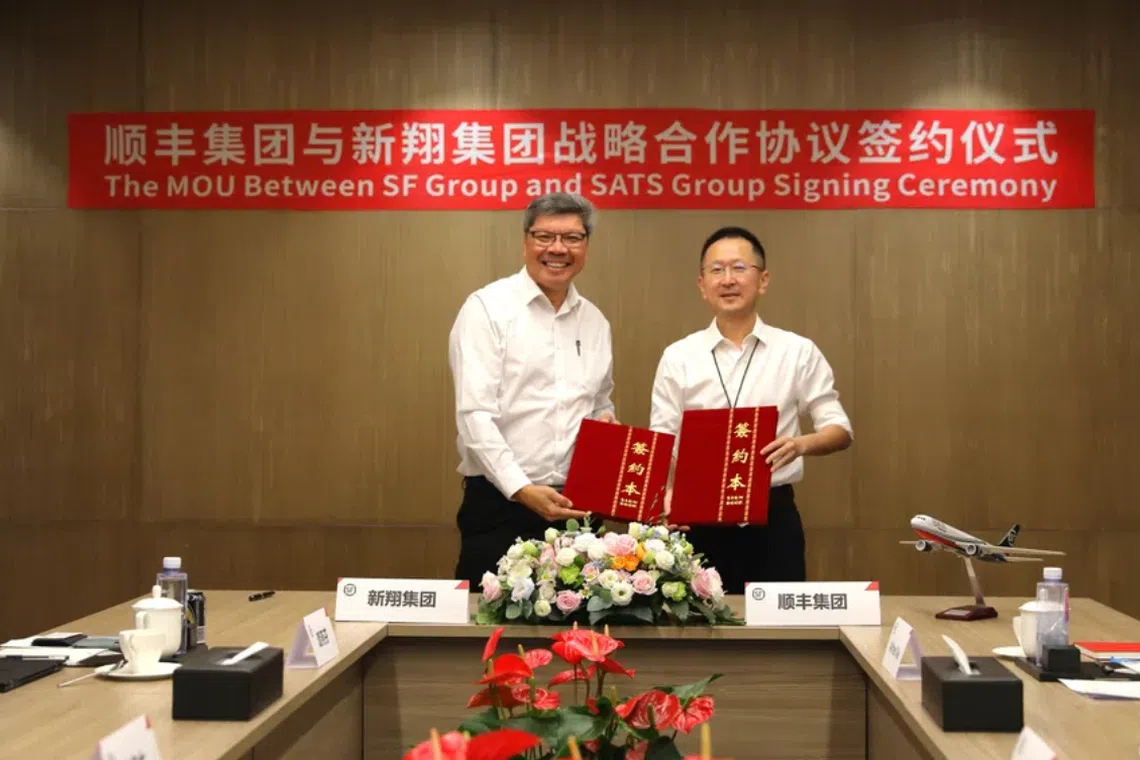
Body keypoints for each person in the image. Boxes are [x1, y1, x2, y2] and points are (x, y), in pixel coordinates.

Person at [649, 226, 853, 593]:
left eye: (739, 268)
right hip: (698, 519)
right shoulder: (678, 356)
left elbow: (839, 429)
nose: (728, 280)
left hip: (773, 517)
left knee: (780, 634)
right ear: (701, 284)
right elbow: (663, 438)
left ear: (763, 280)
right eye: (716, 270)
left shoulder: (797, 351)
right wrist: (666, 494)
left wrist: (800, 444)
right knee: (699, 636)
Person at [448, 192, 617, 588]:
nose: (558, 249)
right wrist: (521, 489)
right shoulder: (487, 308)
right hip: (500, 506)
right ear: (525, 241)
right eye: (545, 236)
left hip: (578, 510)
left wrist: (606, 428)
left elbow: (600, 401)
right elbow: (474, 416)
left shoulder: (594, 321)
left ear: (586, 246)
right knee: (487, 637)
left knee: (580, 639)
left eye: (572, 238)